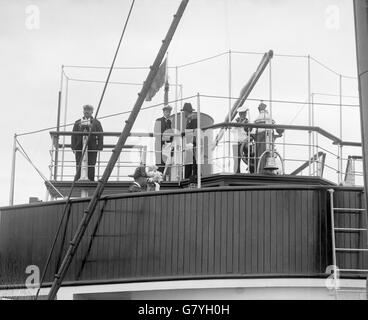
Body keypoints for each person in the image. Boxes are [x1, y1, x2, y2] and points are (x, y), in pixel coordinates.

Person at [71, 104, 103, 181]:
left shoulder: (96, 123)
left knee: (91, 163)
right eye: (85, 110)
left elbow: (100, 134)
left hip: (92, 146)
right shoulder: (77, 122)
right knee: (79, 163)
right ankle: (78, 179)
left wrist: (99, 146)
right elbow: (73, 135)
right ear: (83, 111)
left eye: (88, 110)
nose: (86, 112)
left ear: (92, 112)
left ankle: (91, 179)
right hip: (79, 146)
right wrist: (73, 146)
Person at [233, 108, 255, 173]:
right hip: (237, 142)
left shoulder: (248, 122)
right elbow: (232, 130)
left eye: (244, 113)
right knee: (237, 160)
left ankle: (252, 171)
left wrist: (250, 137)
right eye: (241, 113)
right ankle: (237, 173)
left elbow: (252, 132)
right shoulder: (235, 121)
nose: (243, 115)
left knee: (250, 155)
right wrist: (240, 124)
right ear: (239, 114)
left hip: (246, 142)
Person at [154, 105, 173, 175]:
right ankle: (158, 175)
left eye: (169, 112)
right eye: (167, 111)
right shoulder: (158, 120)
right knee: (159, 161)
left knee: (165, 160)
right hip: (159, 143)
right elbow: (156, 132)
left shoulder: (170, 122)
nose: (168, 113)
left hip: (167, 145)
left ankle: (162, 176)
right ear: (164, 112)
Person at [181, 102, 198, 181]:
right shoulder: (190, 118)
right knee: (190, 160)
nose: (184, 113)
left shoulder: (193, 118)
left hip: (191, 143)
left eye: (184, 111)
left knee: (192, 159)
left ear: (187, 111)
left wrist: (192, 142)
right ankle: (190, 175)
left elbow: (195, 130)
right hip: (190, 142)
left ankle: (193, 175)